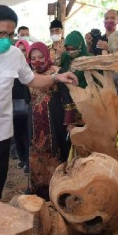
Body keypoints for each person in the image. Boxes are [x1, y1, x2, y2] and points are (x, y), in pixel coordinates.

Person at [0, 5, 78, 201]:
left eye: (10, 35)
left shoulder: (14, 55)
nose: (7, 40)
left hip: (1, 128)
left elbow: (31, 79)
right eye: (2, 33)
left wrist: (56, 78)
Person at [28, 42, 71, 200]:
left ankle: (59, 192)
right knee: (36, 155)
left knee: (57, 153)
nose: (37, 61)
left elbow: (68, 100)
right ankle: (38, 192)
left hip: (55, 121)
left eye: (40, 57)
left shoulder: (58, 72)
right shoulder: (28, 75)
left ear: (47, 56)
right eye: (33, 58)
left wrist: (70, 123)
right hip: (34, 121)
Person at [12, 39, 31, 171]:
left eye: (24, 50)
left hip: (28, 105)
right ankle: (22, 158)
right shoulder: (10, 66)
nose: (21, 53)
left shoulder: (31, 66)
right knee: (18, 134)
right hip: (13, 105)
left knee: (28, 134)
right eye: (19, 50)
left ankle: (29, 161)